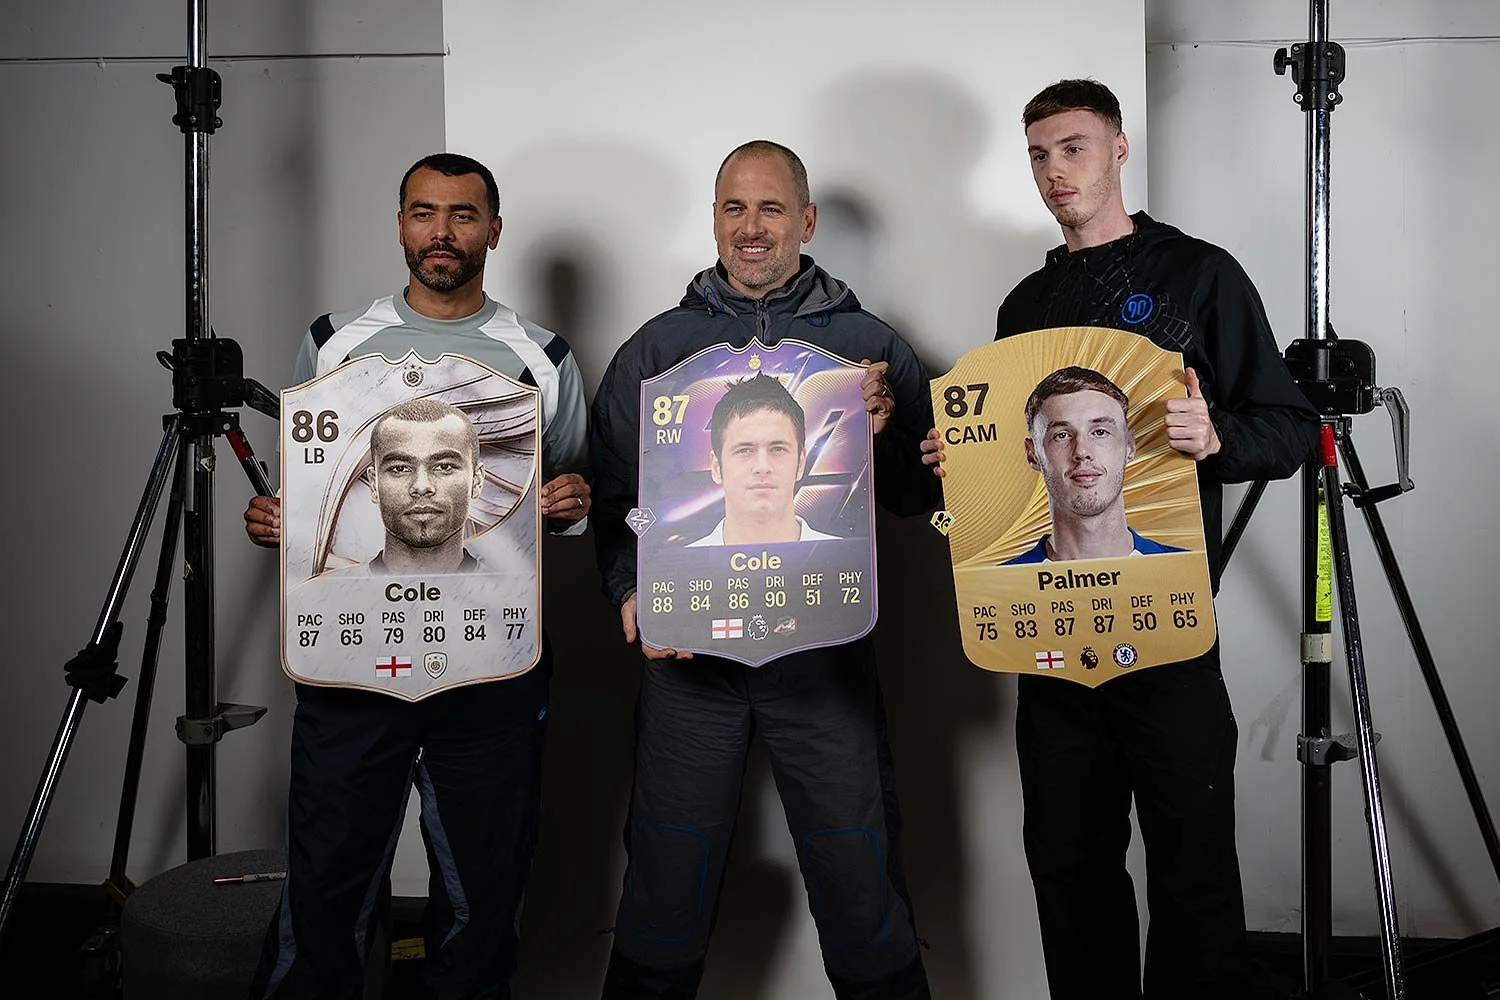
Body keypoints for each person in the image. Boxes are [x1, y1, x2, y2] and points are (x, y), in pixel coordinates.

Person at [923, 80, 1318, 999]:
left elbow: (1291, 426)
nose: (1055, 172)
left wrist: (1218, 438)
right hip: (1047, 637)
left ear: (1118, 148)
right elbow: (1018, 478)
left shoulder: (1199, 275)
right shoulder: (1025, 305)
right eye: (1038, 155)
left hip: (1168, 627)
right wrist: (963, 462)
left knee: (1194, 873)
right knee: (1068, 870)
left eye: (1072, 147)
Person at [590, 140, 938, 1000]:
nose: (752, 229)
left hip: (823, 660)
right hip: (691, 670)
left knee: (860, 877)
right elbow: (614, 493)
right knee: (666, 876)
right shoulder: (656, 352)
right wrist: (630, 584)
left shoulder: (869, 346)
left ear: (807, 220)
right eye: (734, 209)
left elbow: (918, 500)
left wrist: (889, 433)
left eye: (772, 209)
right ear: (714, 220)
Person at [241, 152, 591, 1000]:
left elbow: (572, 503)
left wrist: (572, 502)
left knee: (482, 889)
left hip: (490, 669)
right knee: (327, 883)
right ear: (400, 223)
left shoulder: (541, 356)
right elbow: (311, 492)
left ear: (494, 231)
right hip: (351, 658)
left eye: (463, 215)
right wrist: (273, 520)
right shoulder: (333, 341)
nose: (443, 232)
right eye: (424, 212)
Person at [1002, 366, 1183, 564]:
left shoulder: (1185, 571)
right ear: (1032, 454)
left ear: (1129, 446)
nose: (1081, 452)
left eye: (1099, 432)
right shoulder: (998, 586)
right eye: (1061, 435)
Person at [334, 397, 489, 575]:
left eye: (444, 467)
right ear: (374, 484)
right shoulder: (317, 597)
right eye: (400, 468)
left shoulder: (515, 594)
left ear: (476, 481)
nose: (421, 487)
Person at [685, 373, 840, 546]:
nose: (762, 466)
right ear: (716, 467)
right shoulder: (682, 568)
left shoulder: (846, 559)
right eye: (744, 450)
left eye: (777, 449)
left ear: (801, 462)